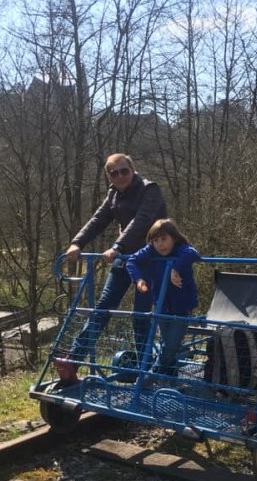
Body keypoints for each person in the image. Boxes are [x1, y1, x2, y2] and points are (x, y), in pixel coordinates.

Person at [56, 153, 167, 381]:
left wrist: (117, 245)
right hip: (125, 257)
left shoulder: (150, 190)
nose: (120, 176)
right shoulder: (114, 194)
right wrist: (77, 243)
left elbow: (143, 220)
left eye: (124, 171)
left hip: (149, 259)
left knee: (141, 315)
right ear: (109, 175)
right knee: (103, 308)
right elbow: (98, 219)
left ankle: (145, 369)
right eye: (113, 173)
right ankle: (74, 360)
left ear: (133, 169)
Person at [126, 219, 200, 376]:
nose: (160, 244)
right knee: (167, 344)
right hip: (161, 305)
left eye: (164, 239)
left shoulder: (181, 249)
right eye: (155, 240)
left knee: (171, 345)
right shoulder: (152, 251)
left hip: (182, 307)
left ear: (174, 237)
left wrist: (175, 268)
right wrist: (138, 279)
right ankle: (169, 377)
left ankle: (153, 374)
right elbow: (131, 260)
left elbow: (193, 253)